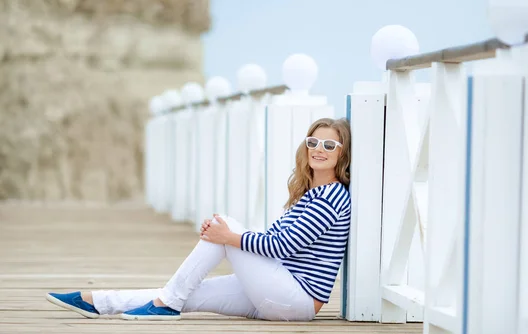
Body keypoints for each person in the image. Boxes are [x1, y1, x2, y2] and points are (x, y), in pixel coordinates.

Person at [46, 117, 352, 321]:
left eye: (329, 145)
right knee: (184, 292)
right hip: (275, 289)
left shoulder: (330, 197)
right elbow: (278, 243)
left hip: (295, 299)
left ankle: (167, 304)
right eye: (313, 143)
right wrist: (224, 236)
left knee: (227, 225)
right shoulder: (310, 193)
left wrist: (226, 237)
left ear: (342, 154)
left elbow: (281, 246)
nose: (319, 150)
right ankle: (97, 301)